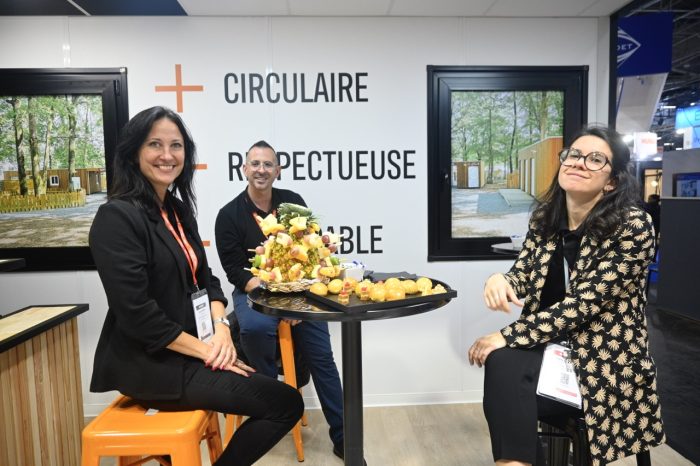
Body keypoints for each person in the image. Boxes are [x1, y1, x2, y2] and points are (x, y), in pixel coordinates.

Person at [89, 107, 303, 466]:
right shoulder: (117, 217)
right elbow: (138, 316)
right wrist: (209, 352)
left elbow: (208, 282)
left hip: (195, 346)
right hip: (153, 364)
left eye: (176, 145)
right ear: (133, 152)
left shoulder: (176, 210)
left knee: (277, 392)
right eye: (155, 144)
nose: (167, 155)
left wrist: (220, 331)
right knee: (285, 404)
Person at [467, 126, 665, 466]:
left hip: (606, 359)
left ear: (612, 181)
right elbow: (525, 274)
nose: (578, 163)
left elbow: (582, 305)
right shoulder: (546, 219)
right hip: (550, 346)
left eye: (595, 159)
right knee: (501, 362)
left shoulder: (634, 226)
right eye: (573, 154)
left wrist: (505, 334)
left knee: (503, 358)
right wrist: (499, 277)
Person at [215, 140, 348, 461]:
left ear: (278, 170)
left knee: (323, 357)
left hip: (299, 290)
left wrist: (295, 300)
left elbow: (313, 251)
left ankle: (344, 436)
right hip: (255, 292)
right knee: (256, 329)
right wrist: (277, 301)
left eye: (268, 164)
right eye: (255, 164)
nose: (261, 170)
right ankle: (269, 403)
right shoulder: (228, 215)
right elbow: (235, 270)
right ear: (244, 169)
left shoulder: (294, 204)